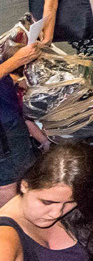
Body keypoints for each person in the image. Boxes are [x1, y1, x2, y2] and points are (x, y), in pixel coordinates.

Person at [0, 143, 93, 261]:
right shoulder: (4, 235)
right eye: (47, 202)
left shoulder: (78, 207)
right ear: (25, 185)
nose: (56, 213)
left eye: (70, 202)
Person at [0, 45, 41, 205]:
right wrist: (15, 62)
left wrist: (12, 80)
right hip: (4, 129)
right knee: (13, 185)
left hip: (8, 118)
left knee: (25, 175)